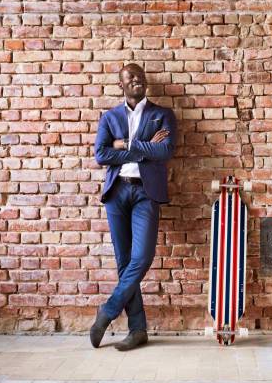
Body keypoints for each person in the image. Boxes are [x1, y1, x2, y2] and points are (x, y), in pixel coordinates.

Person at [90, 63, 177, 351]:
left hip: (145, 193)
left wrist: (124, 145)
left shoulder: (162, 115)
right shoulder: (110, 117)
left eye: (141, 75)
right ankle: (137, 329)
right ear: (122, 85)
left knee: (141, 257)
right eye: (131, 77)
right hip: (117, 193)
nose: (137, 79)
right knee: (124, 263)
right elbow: (101, 155)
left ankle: (108, 311)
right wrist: (141, 146)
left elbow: (165, 151)